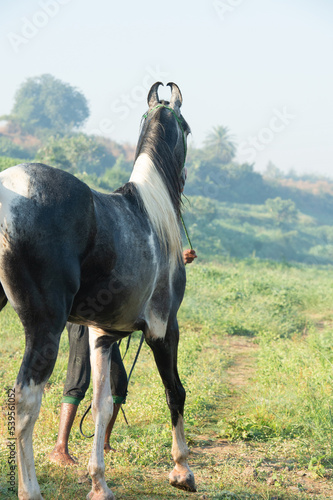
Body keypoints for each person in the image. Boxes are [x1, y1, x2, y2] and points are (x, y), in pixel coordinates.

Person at [49, 248, 197, 466]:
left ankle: (104, 443)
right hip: (84, 314)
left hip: (105, 320)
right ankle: (60, 447)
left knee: (119, 383)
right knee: (78, 378)